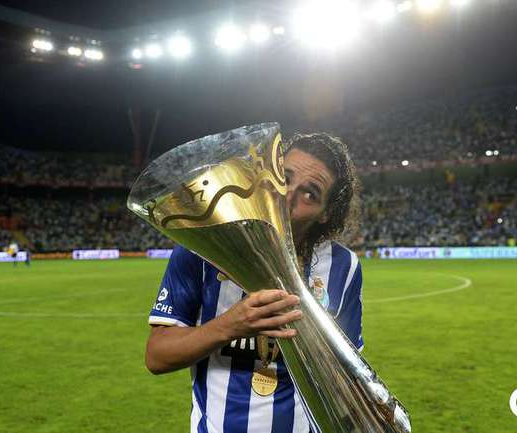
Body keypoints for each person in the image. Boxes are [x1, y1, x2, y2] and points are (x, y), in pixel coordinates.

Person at [145, 133, 364, 433]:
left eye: (310, 194)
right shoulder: (201, 249)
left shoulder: (343, 266)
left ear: (325, 214)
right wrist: (230, 325)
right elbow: (157, 356)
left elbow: (347, 375)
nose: (287, 196)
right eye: (284, 178)